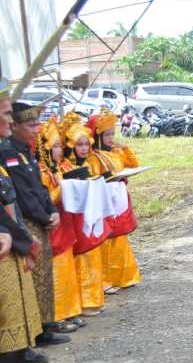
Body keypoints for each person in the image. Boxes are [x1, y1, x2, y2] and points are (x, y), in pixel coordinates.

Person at [0, 83, 53, 363]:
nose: (9, 119)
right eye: (5, 114)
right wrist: (19, 238)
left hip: (14, 248)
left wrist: (21, 239)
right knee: (6, 334)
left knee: (19, 330)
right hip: (8, 248)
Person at [0, 102, 68, 347]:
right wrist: (42, 216)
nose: (37, 129)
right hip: (25, 223)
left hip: (40, 219)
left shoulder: (25, 151)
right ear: (15, 125)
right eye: (31, 124)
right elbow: (21, 194)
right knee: (29, 283)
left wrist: (52, 211)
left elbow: (38, 186)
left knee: (44, 277)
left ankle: (44, 327)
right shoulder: (6, 152)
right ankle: (32, 337)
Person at [36, 117, 83, 332]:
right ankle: (58, 315)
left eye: (60, 146)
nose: (59, 151)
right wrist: (64, 188)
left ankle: (71, 310)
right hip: (53, 228)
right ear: (44, 150)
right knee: (57, 273)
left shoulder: (58, 169)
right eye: (55, 147)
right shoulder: (41, 173)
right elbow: (46, 199)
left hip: (65, 226)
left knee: (67, 272)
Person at [85, 111, 141, 292]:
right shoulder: (94, 156)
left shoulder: (116, 152)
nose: (111, 138)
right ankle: (107, 279)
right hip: (105, 200)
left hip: (119, 197)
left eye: (112, 134)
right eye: (107, 135)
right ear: (97, 135)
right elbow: (94, 177)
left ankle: (124, 276)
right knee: (107, 237)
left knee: (120, 236)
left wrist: (123, 147)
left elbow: (133, 163)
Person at [59, 115, 106, 316]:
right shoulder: (64, 167)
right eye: (79, 144)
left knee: (92, 255)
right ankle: (82, 301)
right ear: (71, 145)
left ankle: (94, 299)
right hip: (74, 218)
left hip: (90, 213)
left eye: (87, 144)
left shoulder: (93, 162)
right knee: (81, 258)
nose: (84, 148)